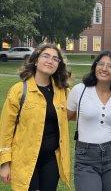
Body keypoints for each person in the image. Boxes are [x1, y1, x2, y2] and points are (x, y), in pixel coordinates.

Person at [0, 43, 73, 191]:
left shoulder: (64, 93)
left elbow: (84, 110)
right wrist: (5, 164)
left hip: (51, 159)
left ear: (58, 65)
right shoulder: (19, 91)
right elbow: (5, 130)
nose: (50, 61)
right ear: (35, 61)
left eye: (55, 59)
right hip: (24, 159)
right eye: (45, 56)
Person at [67, 51, 111, 191]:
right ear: (95, 66)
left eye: (110, 66)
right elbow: (61, 120)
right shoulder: (80, 90)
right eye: (101, 64)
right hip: (85, 157)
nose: (104, 68)